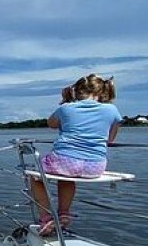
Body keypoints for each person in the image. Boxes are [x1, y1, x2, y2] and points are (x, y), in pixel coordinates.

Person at [31, 75, 121, 236]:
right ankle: (64, 213)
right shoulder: (112, 110)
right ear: (102, 92)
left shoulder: (66, 108)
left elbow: (51, 124)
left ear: (75, 91)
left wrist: (66, 101)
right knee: (67, 177)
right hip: (95, 166)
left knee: (35, 176)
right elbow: (110, 139)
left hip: (64, 162)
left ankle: (45, 218)